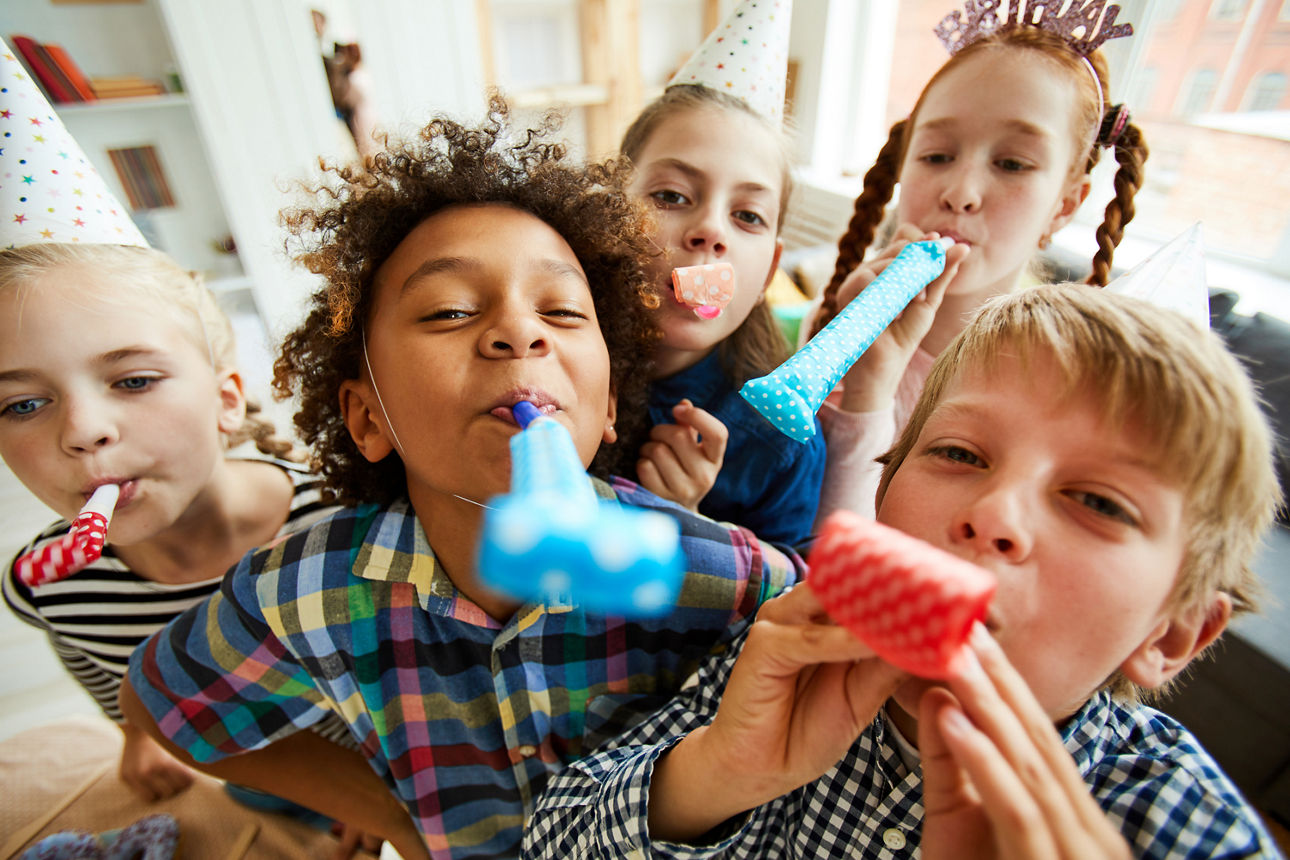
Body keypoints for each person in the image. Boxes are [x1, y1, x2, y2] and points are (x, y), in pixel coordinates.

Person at [120, 98, 803, 860]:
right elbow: (162, 706)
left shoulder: (729, 580)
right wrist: (388, 816)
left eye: (563, 312)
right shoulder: (302, 594)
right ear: (367, 416)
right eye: (448, 311)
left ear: (608, 404)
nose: (520, 330)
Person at [521, 282, 1284, 859]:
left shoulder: (1179, 820)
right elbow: (551, 840)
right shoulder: (785, 655)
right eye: (959, 454)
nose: (994, 515)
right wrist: (717, 771)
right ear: (884, 497)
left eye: (1098, 501)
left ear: (1174, 632)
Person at [0, 243, 346, 803]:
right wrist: (135, 729)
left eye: (133, 381)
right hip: (251, 773)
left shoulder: (347, 523)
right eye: (22, 404)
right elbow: (81, 651)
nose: (83, 431)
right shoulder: (48, 588)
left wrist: (371, 793)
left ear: (226, 399)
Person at [807, 6, 1147, 522]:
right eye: (937, 156)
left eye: (1011, 164)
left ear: (1064, 206)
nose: (960, 193)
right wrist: (871, 383)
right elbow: (816, 547)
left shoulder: (1062, 387)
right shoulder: (834, 337)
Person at [619, 0, 827, 548]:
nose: (711, 231)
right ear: (604, 216)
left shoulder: (780, 437)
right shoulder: (543, 357)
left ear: (769, 273)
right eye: (671, 196)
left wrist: (694, 528)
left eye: (747, 216)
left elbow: (782, 607)